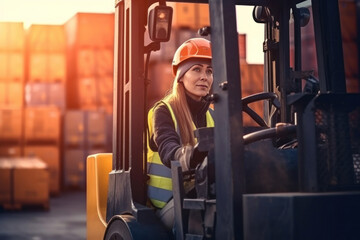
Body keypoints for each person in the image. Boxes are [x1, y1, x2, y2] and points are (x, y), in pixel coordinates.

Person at [147, 38, 215, 230]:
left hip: (201, 194)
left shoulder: (213, 116)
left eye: (209, 71)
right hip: (169, 204)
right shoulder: (163, 111)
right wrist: (188, 154)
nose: (204, 76)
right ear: (181, 76)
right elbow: (168, 147)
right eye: (197, 69)